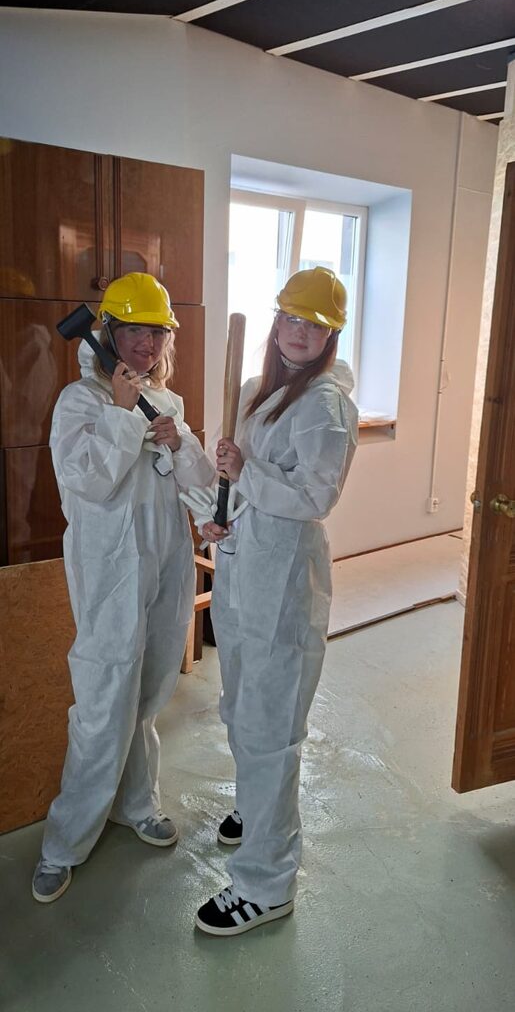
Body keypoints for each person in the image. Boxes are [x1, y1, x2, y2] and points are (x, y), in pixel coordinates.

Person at [32, 272, 215, 904]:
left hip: (166, 566)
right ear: (108, 332)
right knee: (105, 698)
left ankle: (136, 803)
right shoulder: (80, 402)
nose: (147, 342)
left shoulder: (168, 402)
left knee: (148, 691)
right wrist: (119, 413)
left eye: (157, 331)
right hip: (110, 571)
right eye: (134, 329)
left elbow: (197, 491)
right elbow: (88, 483)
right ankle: (63, 844)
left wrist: (179, 440)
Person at [195, 266, 358, 936]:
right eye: (291, 318)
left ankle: (265, 886)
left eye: (314, 325)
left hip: (284, 580)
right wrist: (220, 512)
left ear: (330, 336)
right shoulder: (255, 389)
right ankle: (256, 806)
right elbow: (235, 482)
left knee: (269, 726)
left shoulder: (326, 407)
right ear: (276, 321)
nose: (299, 333)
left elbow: (315, 496)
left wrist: (247, 471)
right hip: (243, 569)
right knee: (241, 706)